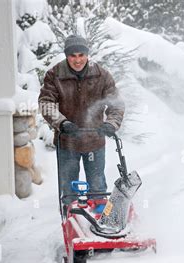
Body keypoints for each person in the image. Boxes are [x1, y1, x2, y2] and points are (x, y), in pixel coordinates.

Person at [38, 34, 124, 210]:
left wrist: (111, 124)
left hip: (94, 141)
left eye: (81, 55)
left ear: (87, 55)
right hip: (67, 142)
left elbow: (116, 104)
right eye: (72, 55)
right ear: (66, 55)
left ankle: (101, 221)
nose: (77, 60)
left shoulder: (101, 75)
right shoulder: (55, 75)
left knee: (98, 188)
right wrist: (62, 123)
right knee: (70, 190)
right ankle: (72, 220)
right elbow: (46, 103)